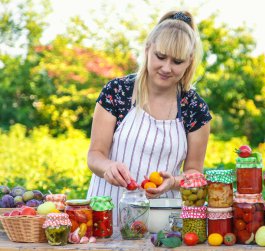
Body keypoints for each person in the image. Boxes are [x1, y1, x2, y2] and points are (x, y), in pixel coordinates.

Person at [86, 10, 212, 225]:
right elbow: (95, 154)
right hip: (107, 214)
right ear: (147, 49)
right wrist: (108, 167)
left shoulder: (195, 108)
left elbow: (194, 173)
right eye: (160, 57)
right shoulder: (118, 91)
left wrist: (173, 182)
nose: (166, 68)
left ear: (189, 62)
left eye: (177, 61)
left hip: (162, 220)